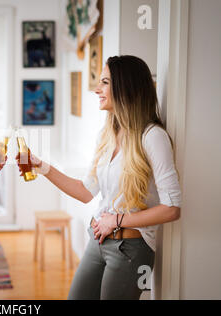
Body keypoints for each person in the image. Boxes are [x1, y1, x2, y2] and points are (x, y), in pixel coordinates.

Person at [19, 55, 182, 300]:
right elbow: (86, 191)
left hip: (131, 250)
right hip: (98, 242)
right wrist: (41, 167)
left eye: (104, 82)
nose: (97, 89)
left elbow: (172, 209)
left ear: (125, 87)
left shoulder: (153, 137)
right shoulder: (106, 136)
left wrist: (117, 219)